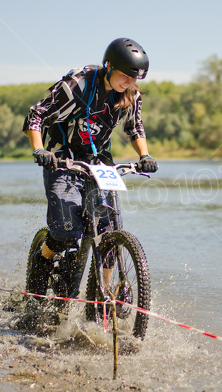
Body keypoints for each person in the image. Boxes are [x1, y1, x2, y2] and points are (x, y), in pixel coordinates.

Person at [22, 38, 159, 297]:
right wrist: (39, 150)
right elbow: (37, 114)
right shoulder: (79, 84)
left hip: (99, 161)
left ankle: (102, 295)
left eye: (136, 78)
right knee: (67, 231)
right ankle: (43, 261)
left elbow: (135, 128)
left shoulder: (132, 95)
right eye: (126, 76)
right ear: (108, 65)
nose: (131, 83)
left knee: (109, 231)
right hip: (63, 157)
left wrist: (145, 155)